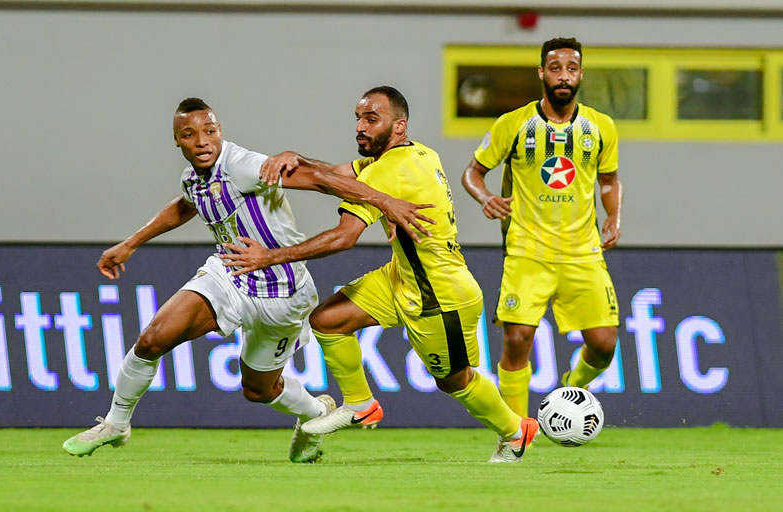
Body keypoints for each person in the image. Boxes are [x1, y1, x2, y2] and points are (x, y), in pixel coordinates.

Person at [62, 97, 434, 463]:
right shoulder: (193, 178)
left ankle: (314, 412)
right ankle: (116, 423)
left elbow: (321, 180)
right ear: (177, 140)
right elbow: (186, 204)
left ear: (220, 131)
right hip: (230, 275)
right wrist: (131, 243)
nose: (202, 141)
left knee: (258, 390)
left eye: (210, 131)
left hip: (283, 292)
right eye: (190, 135)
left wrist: (384, 201)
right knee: (153, 339)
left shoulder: (244, 166)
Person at [220, 86, 540, 463]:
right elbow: (335, 176)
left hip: (438, 295)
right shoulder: (419, 153)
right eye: (359, 119)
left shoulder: (387, 171)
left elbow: (344, 236)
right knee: (328, 321)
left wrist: (269, 257)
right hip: (400, 276)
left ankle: (516, 432)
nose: (361, 127)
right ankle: (360, 403)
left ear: (399, 125)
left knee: (455, 381)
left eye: (372, 120)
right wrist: (296, 159)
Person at [461, 37, 622, 418]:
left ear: (580, 74)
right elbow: (473, 172)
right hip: (527, 250)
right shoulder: (513, 124)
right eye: (555, 68)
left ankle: (573, 386)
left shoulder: (601, 126)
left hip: (582, 251)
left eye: (571, 68)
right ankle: (516, 434)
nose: (563, 76)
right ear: (541, 73)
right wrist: (485, 197)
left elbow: (609, 180)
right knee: (517, 339)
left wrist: (614, 215)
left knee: (604, 345)